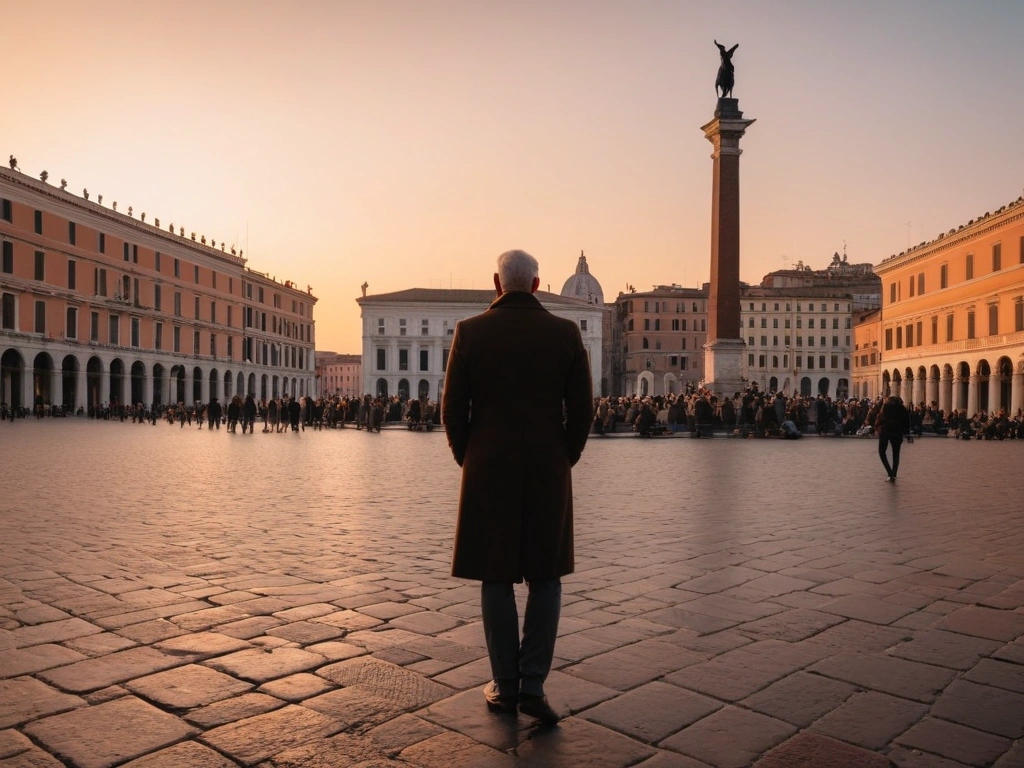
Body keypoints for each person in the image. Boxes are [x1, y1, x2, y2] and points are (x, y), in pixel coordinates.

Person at [442, 249, 593, 726]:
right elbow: (583, 412)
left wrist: (470, 457)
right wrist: (563, 455)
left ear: (497, 283)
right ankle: (533, 685)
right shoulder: (566, 333)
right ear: (536, 285)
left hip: (488, 467)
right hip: (548, 465)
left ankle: (505, 685)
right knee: (546, 576)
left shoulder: (470, 332)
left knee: (496, 574)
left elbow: (452, 411)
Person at [875, 394, 910, 482]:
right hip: (897, 432)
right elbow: (907, 422)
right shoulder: (902, 408)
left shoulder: (885, 406)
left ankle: (889, 472)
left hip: (885, 431)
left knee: (882, 452)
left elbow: (880, 417)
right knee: (896, 454)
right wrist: (905, 431)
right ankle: (894, 474)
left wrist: (878, 426)